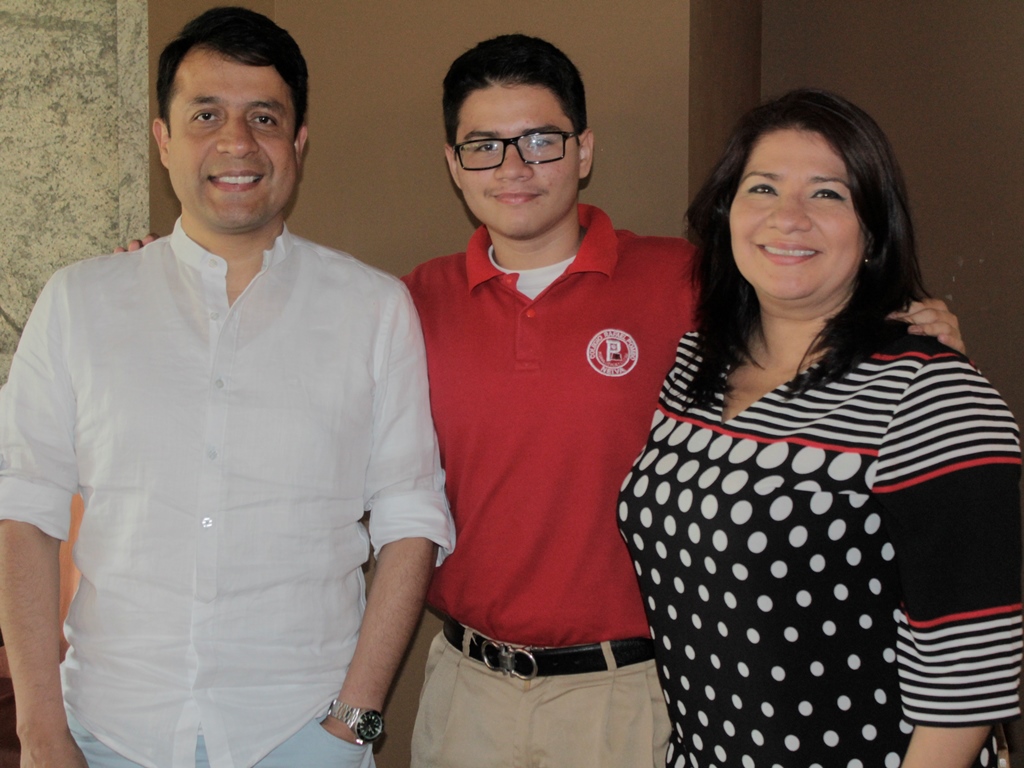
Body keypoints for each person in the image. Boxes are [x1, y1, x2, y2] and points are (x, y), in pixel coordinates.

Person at [402, 36, 965, 768]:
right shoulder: (409, 304)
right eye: (484, 146)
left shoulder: (694, 283)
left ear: (583, 151)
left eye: (541, 140)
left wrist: (913, 327)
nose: (513, 168)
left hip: (643, 694)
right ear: (453, 163)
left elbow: (821, 303)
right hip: (466, 692)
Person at [0, 7, 453, 768]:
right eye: (205, 113)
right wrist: (41, 731)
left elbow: (410, 515)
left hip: (302, 734)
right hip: (107, 731)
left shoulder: (373, 310)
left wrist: (355, 724)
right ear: (164, 140)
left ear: (298, 143)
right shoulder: (79, 302)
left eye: (264, 117)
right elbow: (23, 510)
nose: (236, 142)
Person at [618, 89, 1021, 768]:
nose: (789, 218)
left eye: (828, 194)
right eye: (763, 188)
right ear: (725, 215)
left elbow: (969, 677)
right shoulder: (696, 366)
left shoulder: (933, 394)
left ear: (873, 230)